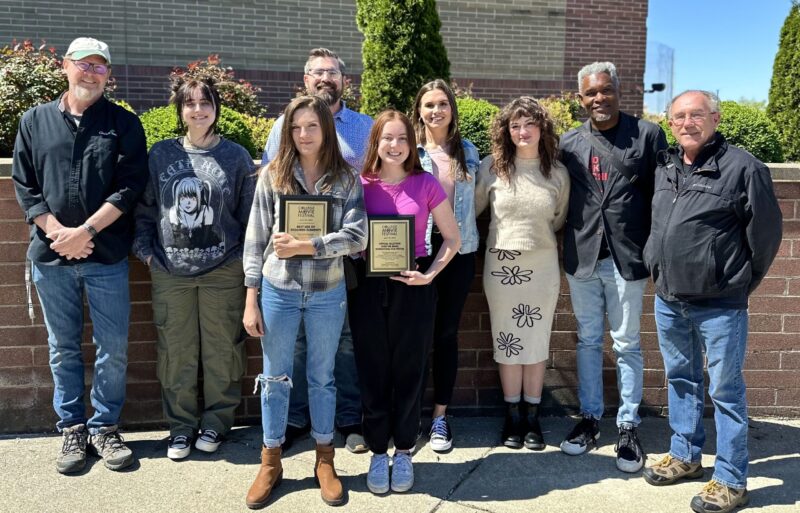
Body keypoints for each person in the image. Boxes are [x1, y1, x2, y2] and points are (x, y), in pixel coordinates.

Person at [11, 37, 147, 473]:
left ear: (109, 74)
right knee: (62, 346)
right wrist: (58, 234)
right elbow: (25, 184)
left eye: (100, 67)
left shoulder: (123, 124)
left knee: (113, 346)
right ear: (64, 67)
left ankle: (105, 427)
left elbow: (129, 187)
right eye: (83, 64)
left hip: (105, 255)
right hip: (51, 259)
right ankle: (72, 428)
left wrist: (85, 231)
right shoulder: (33, 122)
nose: (91, 73)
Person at [642, 90, 781, 513]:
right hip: (669, 299)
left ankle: (731, 479)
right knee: (682, 380)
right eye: (680, 116)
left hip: (720, 304)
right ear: (671, 121)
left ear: (715, 119)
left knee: (725, 391)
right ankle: (685, 456)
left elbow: (766, 237)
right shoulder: (665, 165)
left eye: (697, 115)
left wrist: (735, 281)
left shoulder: (743, 168)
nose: (688, 123)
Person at [243, 95, 367, 509]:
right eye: (295, 128)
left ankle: (325, 460)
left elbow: (358, 237)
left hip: (327, 293)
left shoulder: (346, 179)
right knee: (275, 377)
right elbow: (256, 239)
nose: (303, 135)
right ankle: (271, 460)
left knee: (323, 377)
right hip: (277, 290)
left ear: (325, 130)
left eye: (311, 126)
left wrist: (307, 246)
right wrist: (251, 297)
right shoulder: (273, 176)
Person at [133, 78, 255, 460]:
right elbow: (145, 209)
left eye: (206, 102)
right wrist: (147, 254)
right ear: (180, 110)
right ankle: (181, 428)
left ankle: (217, 424)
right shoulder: (161, 155)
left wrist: (239, 262)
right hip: (171, 272)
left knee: (223, 352)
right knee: (176, 352)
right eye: (190, 104)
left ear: (216, 108)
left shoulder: (236, 156)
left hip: (224, 271)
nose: (198, 110)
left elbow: (251, 217)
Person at [558, 61, 667, 472]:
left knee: (626, 344)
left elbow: (662, 197)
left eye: (605, 91)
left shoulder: (648, 135)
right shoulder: (569, 143)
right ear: (580, 98)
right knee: (587, 340)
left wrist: (654, 250)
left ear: (618, 92)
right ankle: (589, 418)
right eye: (590, 93)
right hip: (582, 257)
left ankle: (627, 424)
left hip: (627, 257)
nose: (598, 99)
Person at [262, 47, 373, 453]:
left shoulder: (365, 127)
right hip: (287, 270)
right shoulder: (282, 127)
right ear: (305, 79)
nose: (325, 78)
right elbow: (270, 186)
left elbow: (379, 182)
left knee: (342, 343)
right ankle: (292, 420)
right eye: (317, 72)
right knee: (293, 347)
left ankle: (346, 419)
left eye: (332, 72)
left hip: (346, 262)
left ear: (344, 79)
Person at [351, 110, 460, 494]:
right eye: (387, 138)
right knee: (373, 370)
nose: (394, 146)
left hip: (413, 287)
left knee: (410, 372)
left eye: (401, 138)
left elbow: (453, 239)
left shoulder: (425, 183)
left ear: (411, 144)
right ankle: (378, 451)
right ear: (375, 143)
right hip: (367, 288)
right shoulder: (359, 183)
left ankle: (404, 451)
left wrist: (430, 275)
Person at [475, 97, 570, 450]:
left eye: (529, 124)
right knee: (507, 341)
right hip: (502, 266)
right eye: (515, 125)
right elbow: (473, 211)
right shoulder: (492, 168)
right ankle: (512, 416)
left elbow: (558, 218)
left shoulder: (557, 173)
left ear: (542, 128)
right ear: (506, 131)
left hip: (542, 266)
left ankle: (533, 417)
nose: (522, 131)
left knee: (536, 341)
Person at [410, 80, 480, 451]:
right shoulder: (409, 150)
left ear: (452, 109)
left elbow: (479, 200)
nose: (435, 111)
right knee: (415, 333)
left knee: (446, 335)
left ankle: (439, 418)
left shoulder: (469, 152)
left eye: (442, 104)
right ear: (418, 110)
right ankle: (407, 415)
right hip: (418, 250)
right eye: (428, 105)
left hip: (459, 251)